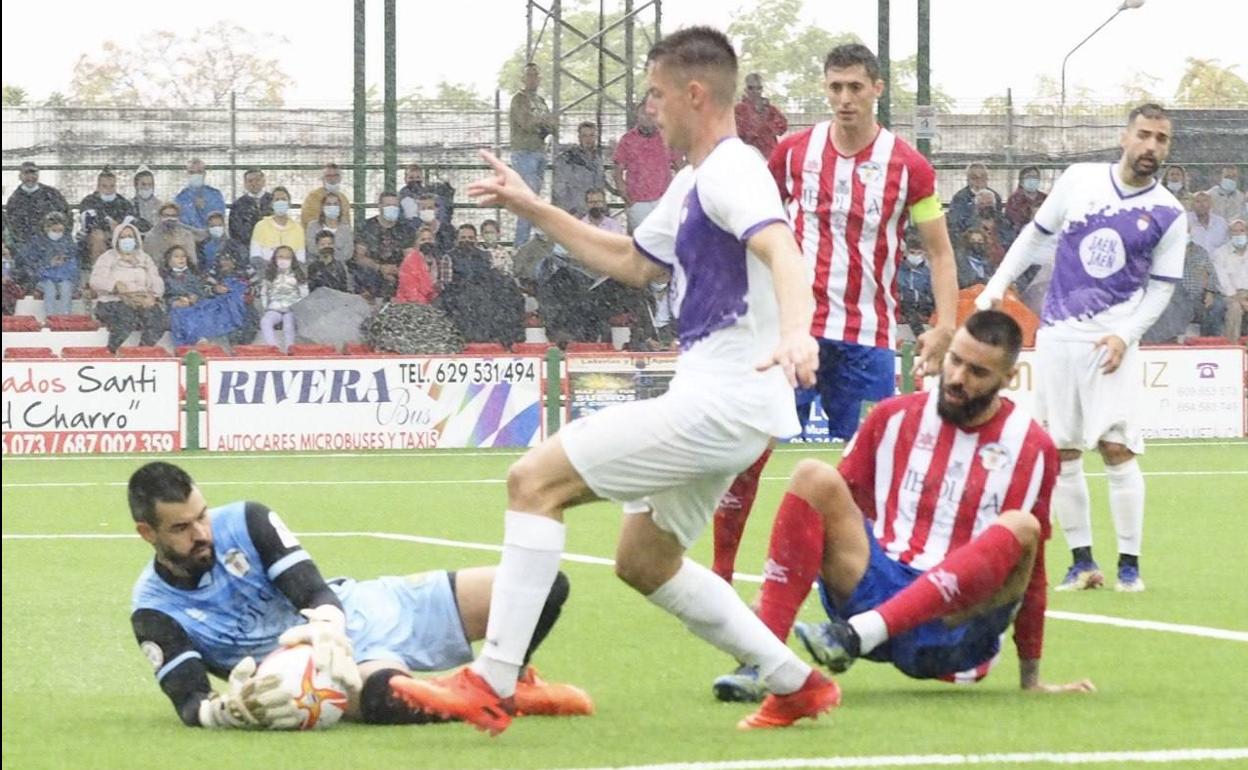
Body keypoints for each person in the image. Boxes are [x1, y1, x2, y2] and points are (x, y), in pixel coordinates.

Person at [394, 27, 838, 735]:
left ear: (694, 94)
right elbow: (634, 262)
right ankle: (795, 684)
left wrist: (797, 330)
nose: (650, 108)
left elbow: (780, 247)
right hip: (727, 400)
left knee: (533, 481)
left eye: (657, 94)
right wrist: (532, 207)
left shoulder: (732, 170)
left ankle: (492, 680)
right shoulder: (695, 181)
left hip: (723, 398)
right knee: (645, 558)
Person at [711, 312, 1095, 702]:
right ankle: (766, 661)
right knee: (812, 476)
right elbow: (827, 517)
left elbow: (1033, 568)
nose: (959, 378)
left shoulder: (1033, 446)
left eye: (978, 372)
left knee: (1022, 527)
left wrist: (1031, 676)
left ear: (1008, 379)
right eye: (956, 361)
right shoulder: (892, 417)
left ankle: (859, 635)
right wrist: (776, 592)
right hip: (874, 590)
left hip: (952, 631)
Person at [709, 43, 958, 589]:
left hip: (868, 338)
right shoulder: (794, 154)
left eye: (855, 87)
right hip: (795, 332)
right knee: (749, 449)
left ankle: (870, 581)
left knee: (870, 469)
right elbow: (756, 225)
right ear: (826, 89)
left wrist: (945, 323)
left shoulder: (910, 167)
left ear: (877, 90)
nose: (844, 99)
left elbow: (939, 251)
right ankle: (721, 575)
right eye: (835, 87)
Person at [126, 461, 591, 730]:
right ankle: (487, 696)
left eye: (202, 516)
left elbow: (311, 587)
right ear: (147, 532)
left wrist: (327, 622)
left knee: (541, 586)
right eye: (182, 528)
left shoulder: (247, 519)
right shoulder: (153, 610)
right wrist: (224, 712)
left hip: (374, 608)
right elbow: (190, 702)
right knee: (391, 700)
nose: (202, 533)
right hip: (325, 675)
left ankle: (502, 681)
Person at [977, 103, 1187, 593]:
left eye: (1161, 139)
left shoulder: (1169, 214)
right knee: (1062, 452)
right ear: (1124, 136)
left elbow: (1161, 287)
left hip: (1109, 344)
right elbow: (1035, 236)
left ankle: (1129, 567)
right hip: (1057, 336)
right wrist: (997, 285)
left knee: (1116, 447)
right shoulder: (1078, 180)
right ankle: (1082, 563)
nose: (1151, 146)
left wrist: (1125, 335)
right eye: (1144, 135)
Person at [88, 219, 167, 352]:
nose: (126, 240)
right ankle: (111, 351)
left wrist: (154, 296)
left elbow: (156, 280)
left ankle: (142, 352)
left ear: (136, 239)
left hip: (141, 300)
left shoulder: (145, 258)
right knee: (126, 318)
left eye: (130, 237)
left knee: (158, 321)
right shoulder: (107, 257)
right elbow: (95, 281)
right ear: (116, 239)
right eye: (122, 237)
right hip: (113, 301)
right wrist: (114, 286)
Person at [509, 63, 558, 246]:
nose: (532, 79)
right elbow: (525, 123)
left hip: (539, 151)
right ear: (523, 79)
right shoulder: (519, 99)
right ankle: (519, 246)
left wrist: (542, 122)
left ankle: (527, 244)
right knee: (527, 201)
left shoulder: (541, 101)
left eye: (535, 75)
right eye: (529, 75)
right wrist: (543, 122)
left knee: (534, 201)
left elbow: (553, 126)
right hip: (524, 152)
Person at [613, 103, 682, 232]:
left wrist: (678, 193)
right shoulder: (627, 140)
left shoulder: (667, 137)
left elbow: (680, 166)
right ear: (637, 117)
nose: (648, 118)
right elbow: (617, 171)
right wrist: (626, 197)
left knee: (664, 240)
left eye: (651, 114)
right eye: (644, 114)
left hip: (664, 199)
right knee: (641, 242)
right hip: (638, 202)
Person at [20, 212, 79, 315]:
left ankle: (66, 316)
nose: (57, 233)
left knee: (66, 287)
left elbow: (73, 265)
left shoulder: (68, 243)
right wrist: (48, 265)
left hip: (64, 277)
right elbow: (30, 264)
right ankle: (50, 316)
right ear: (46, 228)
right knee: (50, 288)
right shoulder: (37, 243)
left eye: (60, 230)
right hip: (43, 279)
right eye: (54, 230)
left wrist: (65, 271)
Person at [5, 161, 70, 247]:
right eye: (26, 173)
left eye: (33, 173)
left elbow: (66, 214)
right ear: (20, 176)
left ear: (38, 175)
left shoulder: (52, 194)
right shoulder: (14, 199)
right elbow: (12, 225)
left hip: (52, 241)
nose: (30, 177)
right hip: (25, 243)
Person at [259, 246, 309, 353]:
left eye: (287, 257)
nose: (283, 260)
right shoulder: (269, 275)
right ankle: (273, 348)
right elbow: (264, 293)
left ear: (293, 259)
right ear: (275, 258)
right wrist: (266, 307)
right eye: (280, 257)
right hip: (274, 307)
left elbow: (305, 294)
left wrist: (299, 309)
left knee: (288, 323)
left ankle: (290, 349)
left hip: (292, 308)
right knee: (265, 321)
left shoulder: (298, 275)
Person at [553, 121, 608, 218]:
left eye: (591, 135)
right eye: (584, 136)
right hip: (574, 210)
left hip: (595, 211)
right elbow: (559, 188)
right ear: (579, 137)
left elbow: (600, 185)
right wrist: (569, 210)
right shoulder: (567, 158)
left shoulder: (598, 159)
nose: (588, 139)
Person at [79, 169, 138, 252]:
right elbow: (89, 222)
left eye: (112, 186)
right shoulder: (89, 201)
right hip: (93, 236)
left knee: (127, 237)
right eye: (104, 186)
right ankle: (100, 264)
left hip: (119, 233)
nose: (108, 189)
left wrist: (118, 229)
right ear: (98, 186)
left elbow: (130, 220)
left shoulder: (123, 202)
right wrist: (108, 224)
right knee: (98, 236)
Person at [735, 73, 788, 159]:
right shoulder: (739, 110)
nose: (755, 91)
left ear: (762, 89)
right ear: (746, 90)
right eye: (751, 88)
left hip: (769, 156)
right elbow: (736, 134)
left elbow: (782, 129)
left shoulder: (771, 110)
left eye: (758, 88)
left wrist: (766, 116)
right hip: (747, 156)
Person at [1211, 218, 1248, 341]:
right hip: (1230, 295)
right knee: (1235, 308)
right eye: (1235, 232)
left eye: (1242, 231)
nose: (1239, 234)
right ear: (1229, 234)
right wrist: (1241, 300)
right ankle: (1233, 346)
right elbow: (1223, 282)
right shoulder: (1220, 254)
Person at [250, 187, 306, 265]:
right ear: (271, 204)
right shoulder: (260, 226)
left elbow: (301, 259)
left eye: (283, 199)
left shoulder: (298, 229)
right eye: (277, 199)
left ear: (289, 203)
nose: (280, 202)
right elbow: (255, 257)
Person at [948, 162, 1003, 241]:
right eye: (974, 178)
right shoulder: (960, 198)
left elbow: (999, 219)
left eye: (983, 178)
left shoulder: (994, 196)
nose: (979, 181)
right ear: (968, 180)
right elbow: (955, 223)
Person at [144, 202, 201, 270]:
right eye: (166, 215)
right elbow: (150, 261)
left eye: (173, 216)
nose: (170, 218)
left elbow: (192, 259)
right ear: (160, 217)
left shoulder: (186, 235)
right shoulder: (151, 237)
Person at [174, 159, 226, 233]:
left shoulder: (215, 195)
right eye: (192, 172)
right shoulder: (180, 197)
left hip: (211, 238)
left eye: (199, 172)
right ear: (187, 174)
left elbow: (219, 219)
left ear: (204, 173)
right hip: (188, 239)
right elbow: (180, 222)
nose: (196, 175)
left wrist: (204, 208)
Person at [305, 191, 353, 264]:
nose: (332, 207)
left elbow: (347, 254)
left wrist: (327, 254)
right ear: (322, 207)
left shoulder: (346, 229)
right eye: (328, 204)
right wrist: (333, 251)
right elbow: (311, 249)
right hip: (316, 268)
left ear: (340, 207)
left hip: (339, 269)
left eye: (335, 204)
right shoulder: (313, 226)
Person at [229, 168, 272, 246]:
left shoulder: (272, 200)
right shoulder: (238, 205)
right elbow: (234, 231)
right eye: (250, 181)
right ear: (245, 184)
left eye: (257, 180)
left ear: (264, 182)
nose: (254, 183)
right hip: (246, 247)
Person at [301, 162, 352, 227]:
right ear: (322, 179)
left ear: (340, 178)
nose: (332, 179)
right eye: (328, 176)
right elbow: (308, 222)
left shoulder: (343, 199)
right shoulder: (312, 197)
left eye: (336, 175)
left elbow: (347, 223)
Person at [1005, 166, 1046, 232]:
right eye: (1028, 177)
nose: (1032, 180)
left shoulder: (1045, 198)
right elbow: (1013, 222)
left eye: (1035, 177)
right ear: (1021, 181)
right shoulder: (1014, 200)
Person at [1188, 191, 1229, 257]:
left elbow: (1227, 246)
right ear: (1192, 205)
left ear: (1210, 204)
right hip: (1193, 264)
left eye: (1205, 201)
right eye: (1197, 201)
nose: (1202, 204)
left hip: (1218, 263)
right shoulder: (1185, 221)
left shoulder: (1221, 222)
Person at [133, 166, 163, 233]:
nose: (147, 187)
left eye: (150, 184)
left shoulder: (161, 206)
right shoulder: (129, 205)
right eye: (143, 184)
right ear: (136, 185)